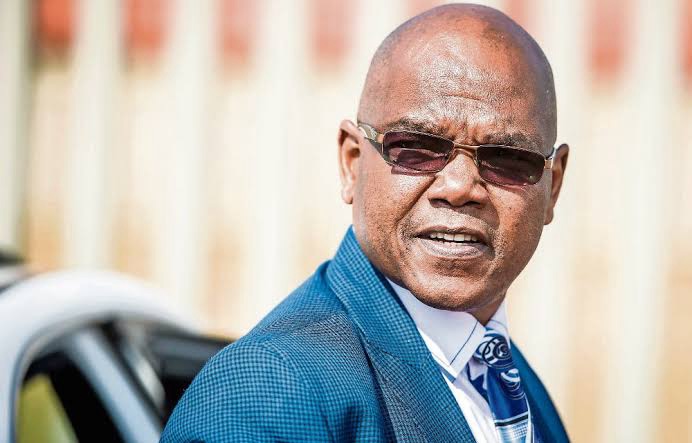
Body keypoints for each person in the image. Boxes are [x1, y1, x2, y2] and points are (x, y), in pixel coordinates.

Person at [161, 3, 570, 442]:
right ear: (352, 163)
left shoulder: (511, 381)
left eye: (508, 158)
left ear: (553, 187)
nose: (458, 186)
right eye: (416, 147)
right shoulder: (267, 391)